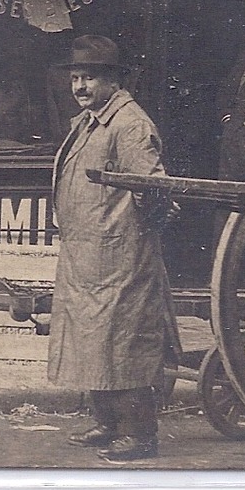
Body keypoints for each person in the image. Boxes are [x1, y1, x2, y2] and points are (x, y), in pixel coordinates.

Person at [48, 34, 175, 464]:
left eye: (90, 78)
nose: (80, 86)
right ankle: (107, 422)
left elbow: (153, 189)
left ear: (114, 81)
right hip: (87, 254)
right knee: (93, 340)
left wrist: (135, 240)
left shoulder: (130, 124)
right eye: (76, 78)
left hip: (119, 255)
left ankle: (139, 434)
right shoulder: (89, 121)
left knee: (124, 342)